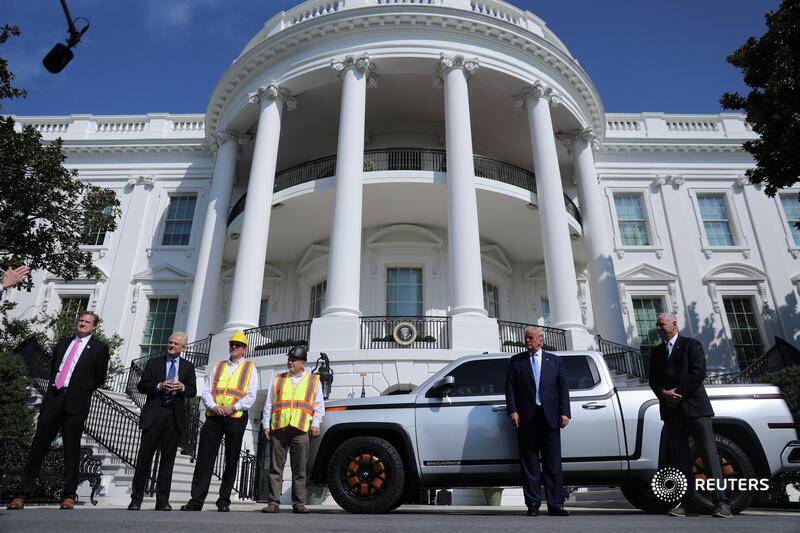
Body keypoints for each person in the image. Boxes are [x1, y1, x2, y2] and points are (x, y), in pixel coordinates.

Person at [7, 311, 110, 510]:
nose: (82, 324)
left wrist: (81, 389)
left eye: (87, 322)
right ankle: (21, 494)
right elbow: (56, 366)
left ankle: (69, 495)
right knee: (38, 445)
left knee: (71, 449)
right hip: (54, 397)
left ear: (94, 327)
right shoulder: (63, 343)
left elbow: (99, 377)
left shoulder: (99, 348)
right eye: (81, 320)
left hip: (76, 401)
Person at [649, 313, 733, 518]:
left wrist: (677, 392)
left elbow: (698, 373)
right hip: (671, 411)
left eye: (662, 324)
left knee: (709, 455)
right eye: (657, 326)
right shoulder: (656, 352)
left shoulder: (691, 345)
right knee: (680, 459)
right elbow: (653, 379)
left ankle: (722, 503)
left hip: (695, 409)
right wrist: (663, 394)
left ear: (674, 324)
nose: (658, 328)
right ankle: (687, 503)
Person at [181, 331, 258, 512]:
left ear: (244, 349)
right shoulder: (218, 366)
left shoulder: (250, 368)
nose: (233, 347)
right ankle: (196, 501)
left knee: (231, 460)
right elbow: (207, 390)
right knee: (204, 459)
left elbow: (251, 394)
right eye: (232, 344)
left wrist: (233, 408)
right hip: (214, 416)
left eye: (237, 345)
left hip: (235, 417)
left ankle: (224, 501)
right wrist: (214, 406)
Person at [505, 326, 570, 517]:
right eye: (526, 338)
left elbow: (563, 388)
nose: (527, 341)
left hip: (549, 418)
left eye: (531, 338)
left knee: (553, 464)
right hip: (526, 418)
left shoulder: (555, 361)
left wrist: (565, 412)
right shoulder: (516, 361)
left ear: (540, 340)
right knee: (529, 463)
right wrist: (513, 411)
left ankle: (556, 505)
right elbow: (509, 388)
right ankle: (533, 503)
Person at [128, 332, 197, 511]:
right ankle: (136, 499)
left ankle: (162, 501)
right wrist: (159, 385)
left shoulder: (188, 367)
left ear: (183, 348)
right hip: (155, 414)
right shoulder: (153, 363)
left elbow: (192, 390)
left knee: (168, 460)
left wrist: (182, 387)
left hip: (174, 416)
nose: (172, 345)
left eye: (176, 344)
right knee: (144, 458)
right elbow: (141, 386)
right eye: (170, 342)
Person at [261, 345, 324, 514]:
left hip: (301, 428)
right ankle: (273, 502)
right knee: (275, 467)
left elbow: (319, 405)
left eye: (294, 360)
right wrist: (266, 425)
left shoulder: (313, 380)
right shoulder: (278, 379)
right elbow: (269, 404)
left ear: (302, 362)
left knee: (300, 468)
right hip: (279, 427)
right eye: (289, 359)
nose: (290, 362)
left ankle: (298, 503)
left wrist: (316, 423)